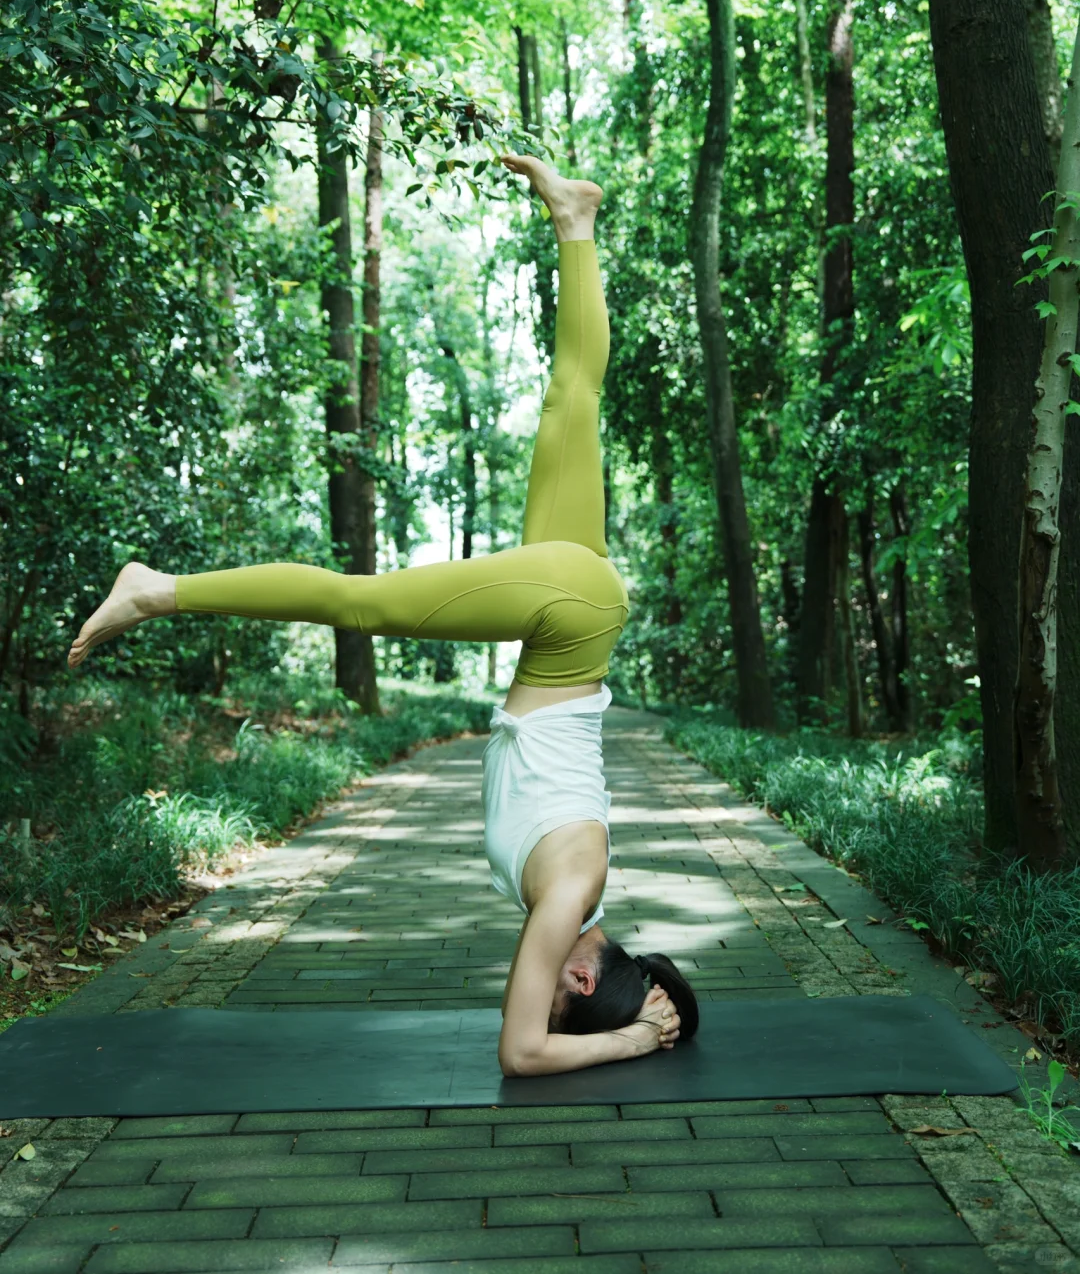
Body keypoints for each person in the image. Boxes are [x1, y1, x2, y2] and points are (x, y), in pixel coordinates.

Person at [68, 153, 700, 1077]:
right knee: (356, 598)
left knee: (576, 399)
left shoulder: (572, 904)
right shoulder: (567, 898)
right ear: (578, 975)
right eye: (562, 992)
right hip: (568, 619)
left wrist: (648, 1011)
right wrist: (641, 1035)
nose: (535, 985)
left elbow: (539, 1026)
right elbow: (520, 1054)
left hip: (577, 616)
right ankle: (158, 586)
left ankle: (577, 222)